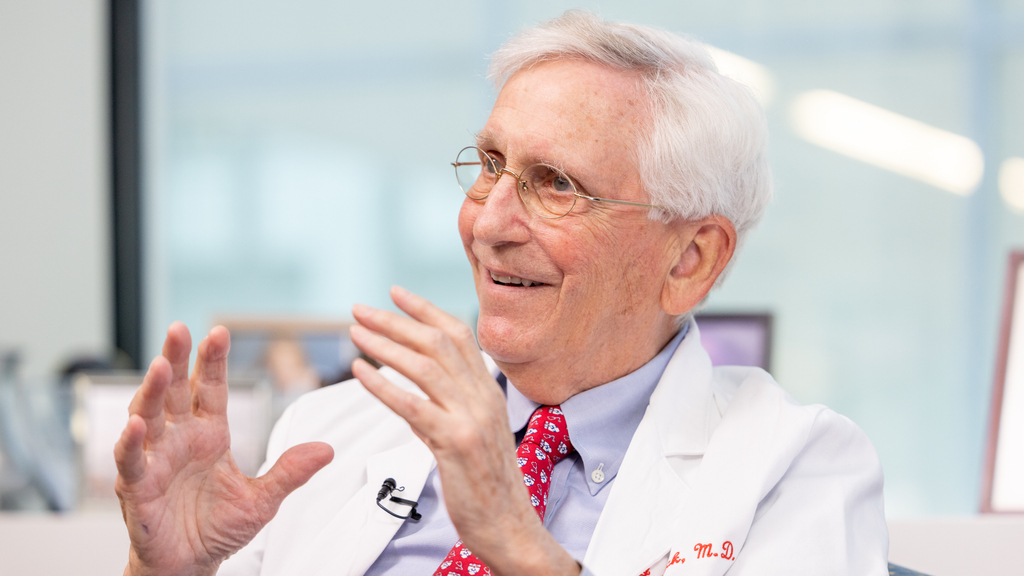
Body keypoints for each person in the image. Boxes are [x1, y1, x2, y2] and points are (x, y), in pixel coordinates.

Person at [114, 11, 888, 576]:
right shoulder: (331, 427)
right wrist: (167, 572)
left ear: (689, 258)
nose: (488, 222)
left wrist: (515, 544)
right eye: (489, 164)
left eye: (555, 184)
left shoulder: (796, 466)